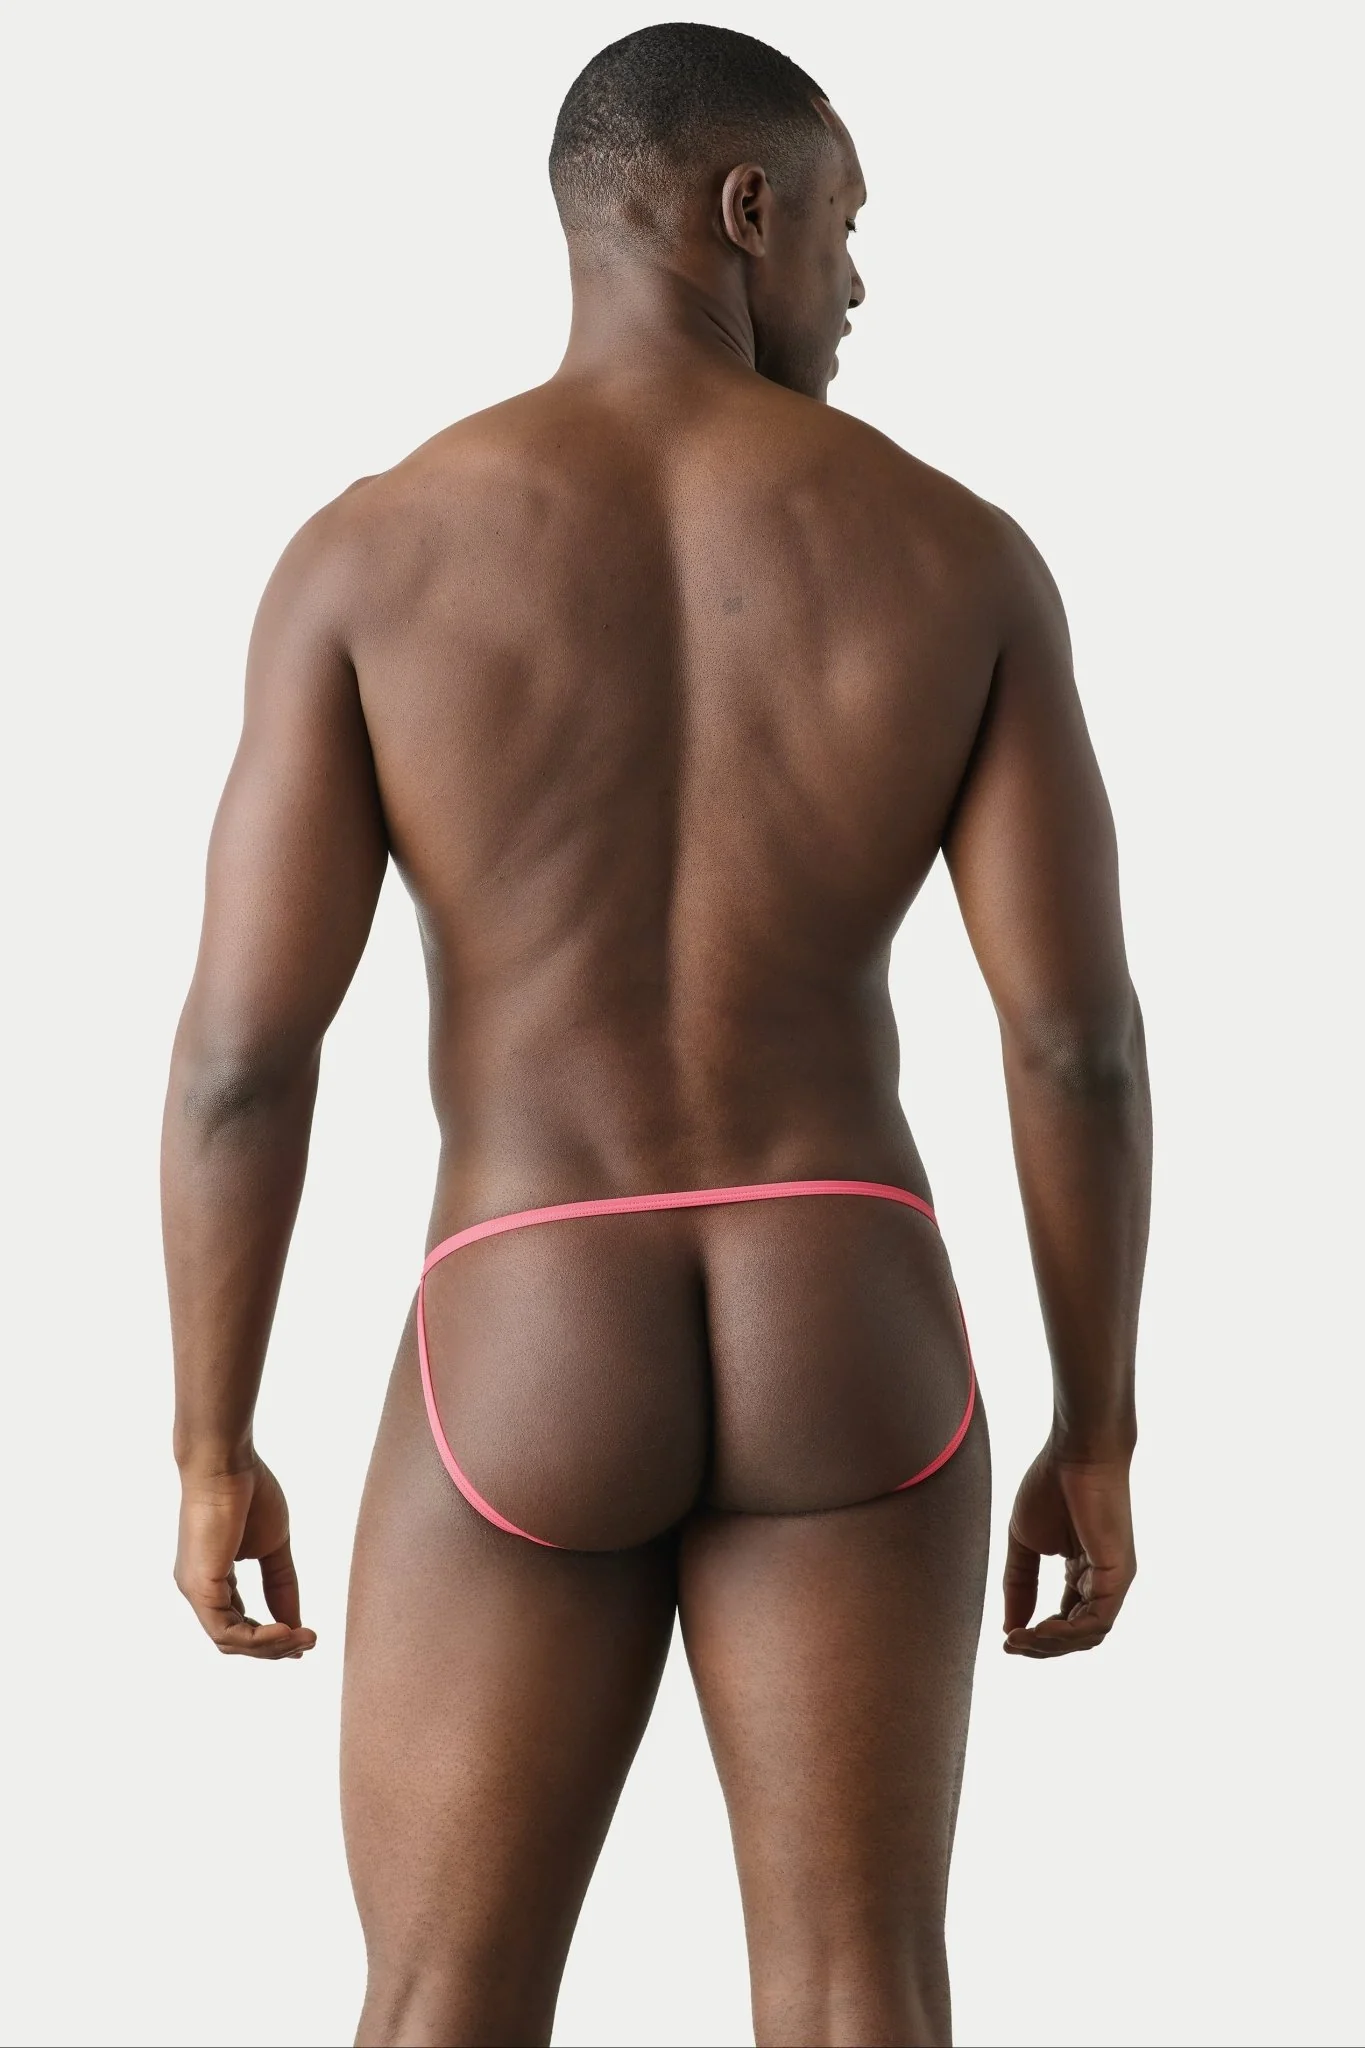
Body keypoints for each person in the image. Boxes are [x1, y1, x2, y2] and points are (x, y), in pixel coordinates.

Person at [162, 22, 1150, 2047]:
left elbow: (244, 1059)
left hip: (530, 1304)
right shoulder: (958, 554)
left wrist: (208, 1440)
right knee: (861, 1992)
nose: (858, 285)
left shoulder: (371, 554)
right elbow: (1073, 1044)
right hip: (846, 1296)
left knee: (442, 1999)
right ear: (744, 210)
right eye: (846, 230)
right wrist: (1100, 1427)